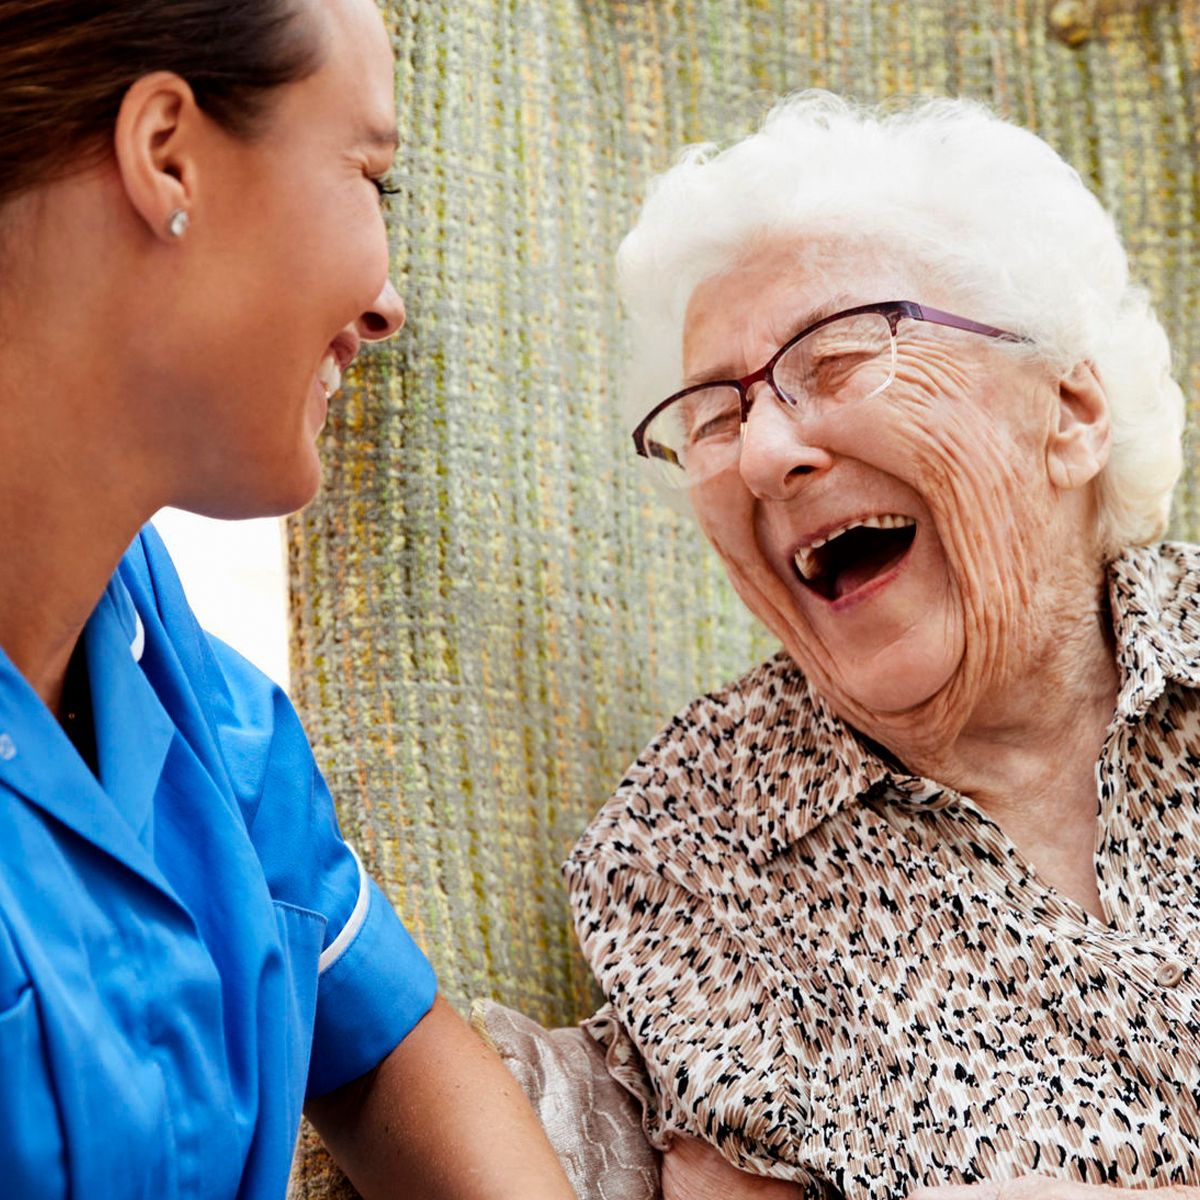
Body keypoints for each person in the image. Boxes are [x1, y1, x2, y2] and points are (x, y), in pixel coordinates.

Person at [564, 92, 1198, 1200]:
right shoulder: (696, 844)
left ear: (1070, 412)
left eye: (842, 356)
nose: (763, 453)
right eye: (715, 416)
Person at [0, 1, 577, 1197]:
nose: (388, 303)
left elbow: (383, 1048)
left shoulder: (172, 683)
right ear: (167, 154)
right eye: (371, 177)